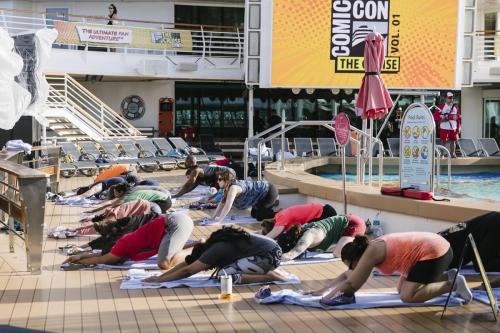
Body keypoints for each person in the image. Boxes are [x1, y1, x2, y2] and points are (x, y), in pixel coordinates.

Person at [309, 233, 472, 306]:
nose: (352, 269)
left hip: (435, 251)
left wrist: (325, 300)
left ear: (357, 259)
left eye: (352, 265)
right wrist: (324, 290)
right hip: (430, 250)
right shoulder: (368, 250)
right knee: (401, 289)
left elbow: (352, 284)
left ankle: (453, 284)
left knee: (408, 296)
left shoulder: (371, 252)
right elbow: (348, 276)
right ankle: (445, 276)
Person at [142, 226, 286, 284]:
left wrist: (159, 281)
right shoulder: (213, 244)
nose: (203, 267)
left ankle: (269, 276)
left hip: (269, 256)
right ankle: (266, 269)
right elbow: (187, 264)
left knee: (224, 276)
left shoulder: (214, 250)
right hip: (271, 250)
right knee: (227, 272)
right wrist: (161, 276)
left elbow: (188, 270)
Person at [64, 213, 193, 270]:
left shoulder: (123, 245)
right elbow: (100, 254)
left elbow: (101, 259)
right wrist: (80, 255)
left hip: (175, 223)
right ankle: (197, 244)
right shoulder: (123, 247)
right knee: (167, 251)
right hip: (175, 222)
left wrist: (78, 260)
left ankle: (196, 249)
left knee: (164, 264)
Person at [276, 214, 366, 260]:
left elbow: (301, 245)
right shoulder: (299, 234)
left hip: (353, 223)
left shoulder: (313, 233)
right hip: (342, 224)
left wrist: (289, 255)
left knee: (339, 253)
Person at [211, 170, 278, 224]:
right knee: (253, 215)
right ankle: (268, 207)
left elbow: (228, 205)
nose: (217, 181)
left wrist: (219, 220)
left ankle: (279, 213)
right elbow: (222, 203)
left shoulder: (234, 188)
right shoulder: (226, 188)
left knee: (260, 217)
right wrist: (213, 217)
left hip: (268, 191)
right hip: (259, 197)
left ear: (226, 180)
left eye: (220, 179)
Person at [258, 203, 337, 239]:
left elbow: (270, 236)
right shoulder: (279, 216)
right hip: (324, 210)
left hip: (325, 213)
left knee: (306, 235)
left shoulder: (281, 219)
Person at [85, 183, 172, 215]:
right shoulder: (130, 193)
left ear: (121, 192)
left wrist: (96, 213)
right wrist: (94, 211)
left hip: (163, 202)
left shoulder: (130, 196)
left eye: (115, 193)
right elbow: (112, 204)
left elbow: (114, 206)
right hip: (165, 199)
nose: (114, 195)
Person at [434, 92, 460, 158]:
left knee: (453, 140)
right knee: (443, 141)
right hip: (444, 127)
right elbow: (435, 116)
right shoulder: (441, 106)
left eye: (452, 98)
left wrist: (459, 127)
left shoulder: (455, 107)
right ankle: (442, 154)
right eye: (449, 98)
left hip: (453, 127)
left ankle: (453, 154)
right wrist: (442, 119)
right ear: (445, 98)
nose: (451, 99)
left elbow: (458, 118)